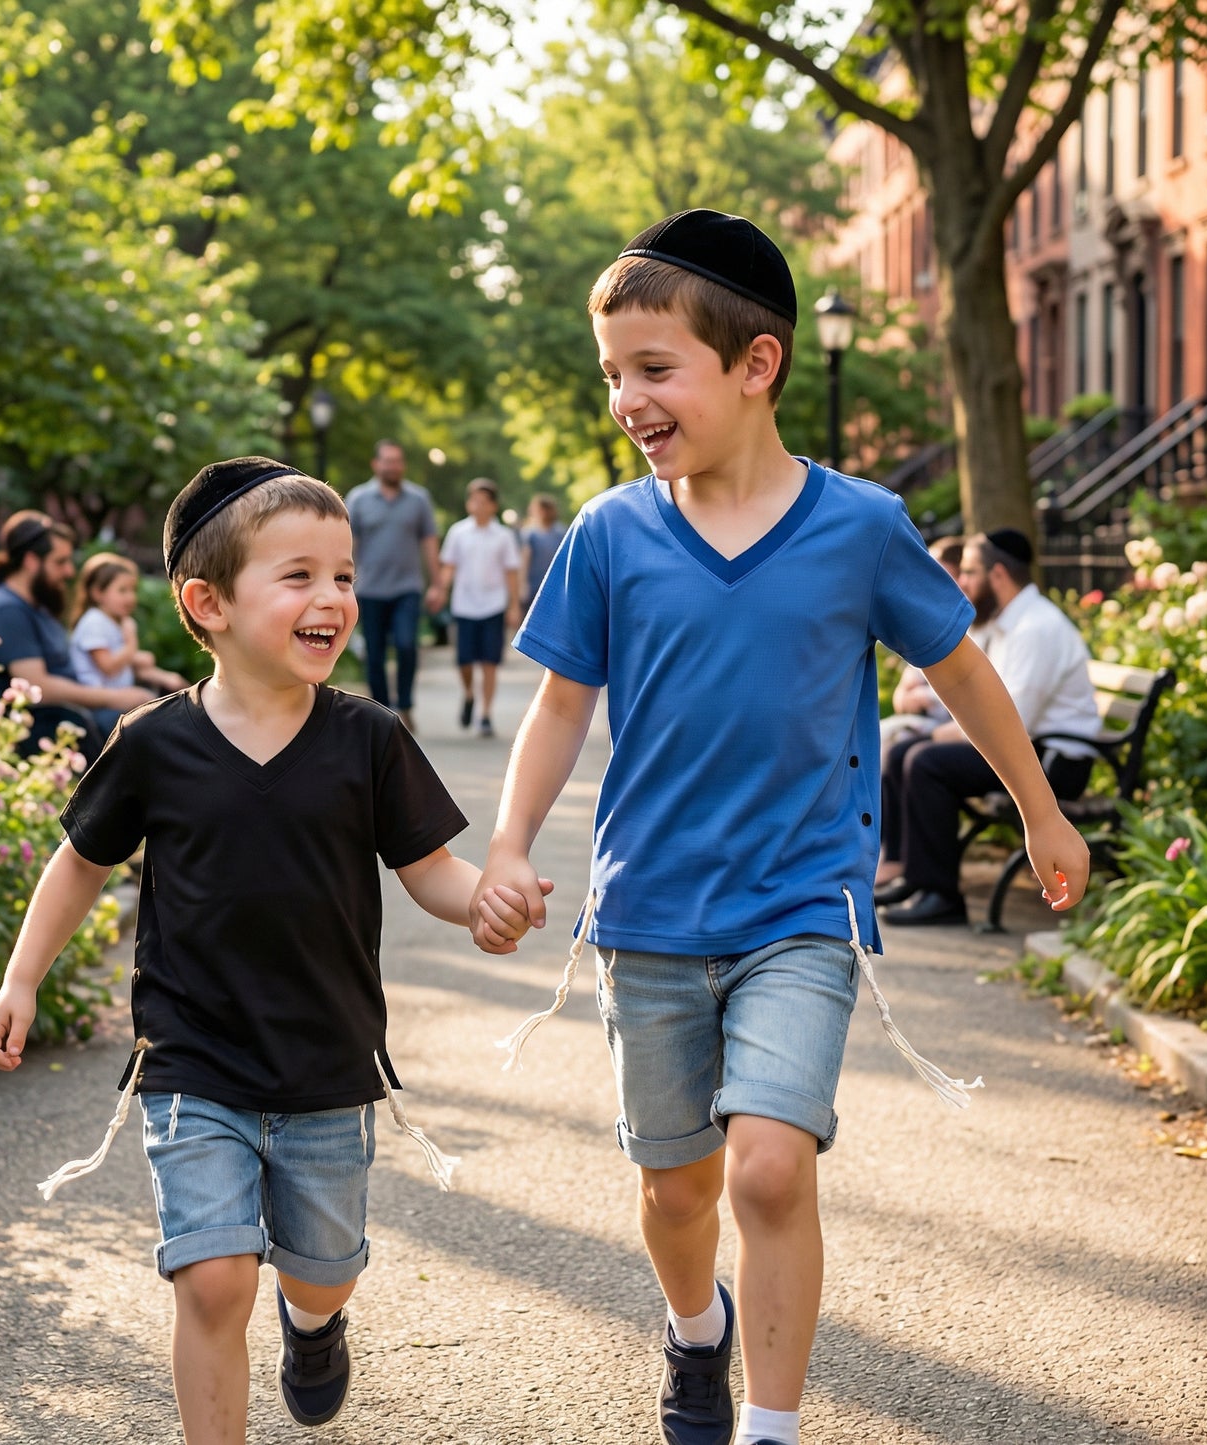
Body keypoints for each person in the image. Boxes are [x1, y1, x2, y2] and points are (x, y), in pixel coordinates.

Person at [468, 209, 1090, 1445]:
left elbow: (962, 673)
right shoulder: (607, 534)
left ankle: (771, 1423)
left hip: (800, 905)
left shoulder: (856, 525)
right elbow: (554, 705)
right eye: (611, 375)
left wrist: (1039, 807)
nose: (626, 400)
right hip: (646, 908)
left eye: (653, 369)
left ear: (755, 366)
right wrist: (504, 844)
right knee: (676, 1183)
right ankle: (694, 1325)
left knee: (765, 1164)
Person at [0, 458, 538, 1445]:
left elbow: (429, 869)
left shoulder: (368, 736)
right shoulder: (155, 742)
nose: (333, 597)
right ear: (208, 602)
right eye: (299, 575)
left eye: (344, 576)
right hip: (193, 1061)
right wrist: (22, 977)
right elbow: (78, 863)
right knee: (211, 1277)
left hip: (327, 1061)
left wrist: (483, 902)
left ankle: (314, 1323)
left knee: (323, 1268)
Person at [876, 528, 1103, 926]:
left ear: (997, 574)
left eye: (969, 572)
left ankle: (941, 895)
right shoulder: (1008, 623)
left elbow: (1015, 717)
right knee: (906, 753)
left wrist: (931, 733)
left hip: (1056, 761)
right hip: (1037, 748)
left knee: (925, 761)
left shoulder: (1037, 628)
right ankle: (918, 877)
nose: (961, 582)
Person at [0, 512, 154, 756]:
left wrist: (134, 661)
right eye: (60, 562)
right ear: (31, 561)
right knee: (152, 727)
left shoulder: (38, 607)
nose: (70, 572)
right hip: (54, 726)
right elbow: (38, 687)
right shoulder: (7, 610)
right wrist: (115, 697)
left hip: (79, 712)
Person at [874, 535, 969, 887]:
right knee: (888, 744)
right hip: (938, 724)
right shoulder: (930, 613)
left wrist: (926, 702)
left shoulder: (968, 619)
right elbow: (904, 693)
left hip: (950, 727)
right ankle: (897, 858)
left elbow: (964, 687)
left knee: (912, 756)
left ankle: (917, 873)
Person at [345, 440, 445, 731]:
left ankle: (405, 704)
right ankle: (381, 712)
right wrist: (342, 581)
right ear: (376, 465)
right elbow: (347, 544)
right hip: (369, 588)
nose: (393, 466)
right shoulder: (359, 498)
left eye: (398, 461)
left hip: (407, 588)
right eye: (388, 461)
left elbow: (429, 542)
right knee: (374, 652)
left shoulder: (418, 499)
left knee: (406, 645)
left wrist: (438, 584)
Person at [438, 477, 523, 738]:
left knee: (489, 662)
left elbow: (511, 573)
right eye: (474, 499)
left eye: (483, 500)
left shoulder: (504, 536)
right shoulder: (458, 532)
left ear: (493, 506)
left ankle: (485, 715)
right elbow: (449, 566)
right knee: (464, 661)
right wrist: (439, 590)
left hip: (493, 606)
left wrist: (513, 606)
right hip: (464, 605)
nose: (478, 504)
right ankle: (468, 693)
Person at [69, 552, 189, 737]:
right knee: (155, 713)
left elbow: (118, 658)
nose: (130, 597)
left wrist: (139, 659)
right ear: (97, 593)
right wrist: (131, 645)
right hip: (98, 704)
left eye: (133, 590)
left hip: (114, 693)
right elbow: (108, 666)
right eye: (122, 590)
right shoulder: (94, 622)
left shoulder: (114, 621)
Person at [518, 493, 567, 610]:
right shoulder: (530, 533)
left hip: (556, 586)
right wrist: (523, 585)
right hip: (534, 585)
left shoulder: (561, 532)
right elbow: (525, 561)